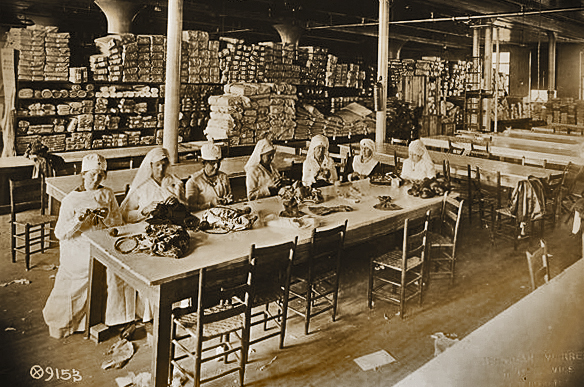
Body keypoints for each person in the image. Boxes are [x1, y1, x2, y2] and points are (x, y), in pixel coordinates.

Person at [43, 154, 134, 338]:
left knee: (118, 268)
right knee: (87, 269)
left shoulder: (107, 193)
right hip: (78, 246)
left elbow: (117, 222)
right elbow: (60, 233)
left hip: (101, 242)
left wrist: (106, 218)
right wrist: (79, 219)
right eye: (92, 174)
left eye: (100, 175)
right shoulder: (70, 200)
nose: (96, 179)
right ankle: (70, 323)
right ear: (83, 174)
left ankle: (114, 318)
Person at [120, 147, 182, 223]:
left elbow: (187, 207)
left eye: (164, 165)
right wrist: (144, 211)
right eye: (157, 165)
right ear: (151, 165)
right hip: (146, 226)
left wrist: (178, 204)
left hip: (173, 225)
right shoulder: (141, 186)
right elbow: (125, 215)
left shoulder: (175, 181)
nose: (161, 169)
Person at [186, 142, 232, 210]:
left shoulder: (223, 177)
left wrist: (228, 200)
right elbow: (190, 207)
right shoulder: (193, 182)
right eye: (213, 164)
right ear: (203, 163)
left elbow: (229, 197)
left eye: (218, 163)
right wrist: (210, 204)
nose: (216, 167)